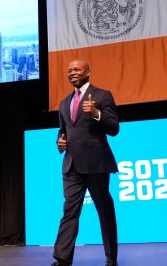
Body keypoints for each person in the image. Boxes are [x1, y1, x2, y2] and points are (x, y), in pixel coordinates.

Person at [51, 59, 119, 266]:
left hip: (95, 163)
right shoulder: (64, 102)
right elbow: (63, 130)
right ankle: (62, 259)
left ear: (88, 72)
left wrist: (96, 113)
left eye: (77, 69)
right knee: (69, 212)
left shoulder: (102, 95)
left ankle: (111, 258)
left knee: (104, 211)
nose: (72, 73)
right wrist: (60, 141)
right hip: (71, 164)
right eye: (70, 70)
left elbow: (114, 128)